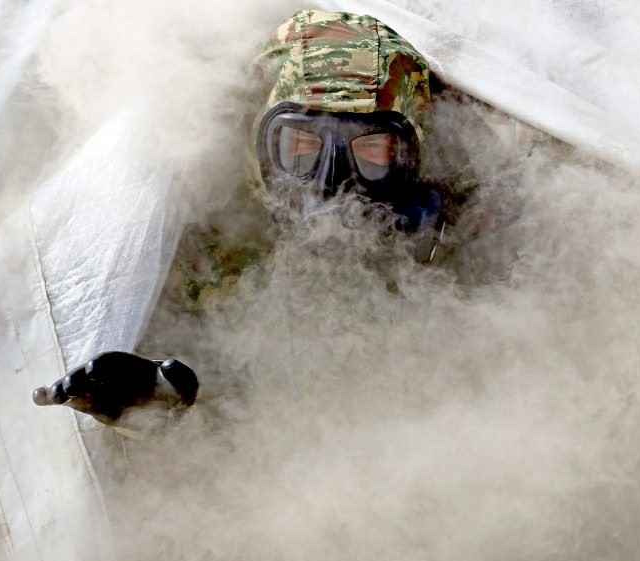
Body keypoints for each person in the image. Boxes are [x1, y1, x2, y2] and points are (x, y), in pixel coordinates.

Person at [31, 9, 446, 427]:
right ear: (259, 145)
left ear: (410, 155)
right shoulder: (205, 250)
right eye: (301, 147)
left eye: (371, 151)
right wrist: (158, 401)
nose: (332, 181)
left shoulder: (456, 251)